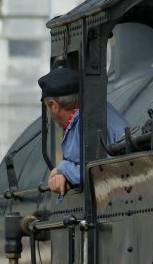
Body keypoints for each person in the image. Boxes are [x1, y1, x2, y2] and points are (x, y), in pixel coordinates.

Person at [38, 66, 127, 196]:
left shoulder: (87, 123)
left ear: (54, 105)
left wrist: (62, 168)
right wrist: (63, 174)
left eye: (48, 107)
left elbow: (100, 172)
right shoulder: (98, 110)